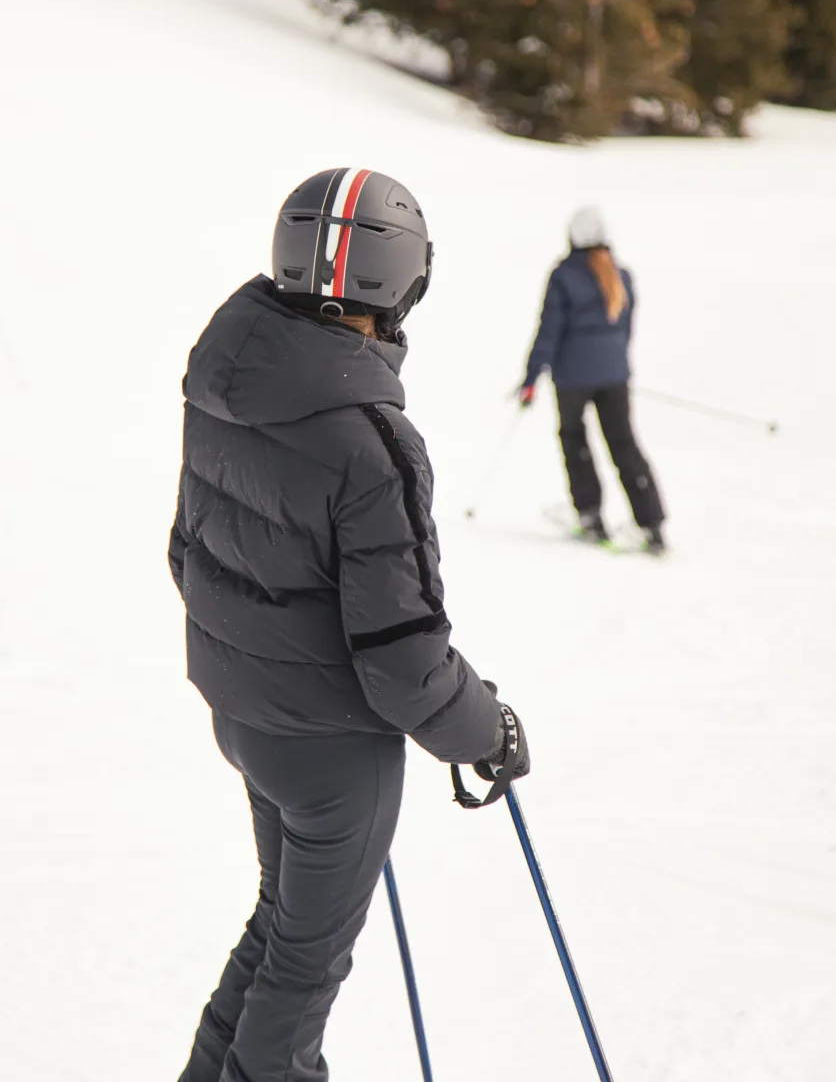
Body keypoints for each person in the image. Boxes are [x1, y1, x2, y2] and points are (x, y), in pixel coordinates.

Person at [170, 168, 531, 1082]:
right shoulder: (371, 441)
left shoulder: (226, 380)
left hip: (247, 718)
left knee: (279, 929)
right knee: (300, 973)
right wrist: (485, 727)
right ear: (404, 282)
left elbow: (190, 554)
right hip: (333, 755)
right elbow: (403, 660)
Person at [520, 206, 667, 553]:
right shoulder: (621, 275)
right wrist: (615, 365)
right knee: (624, 445)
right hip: (614, 377)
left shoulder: (564, 275)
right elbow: (625, 329)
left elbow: (549, 330)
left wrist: (531, 377)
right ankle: (653, 524)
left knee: (575, 441)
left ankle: (590, 515)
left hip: (572, 378)